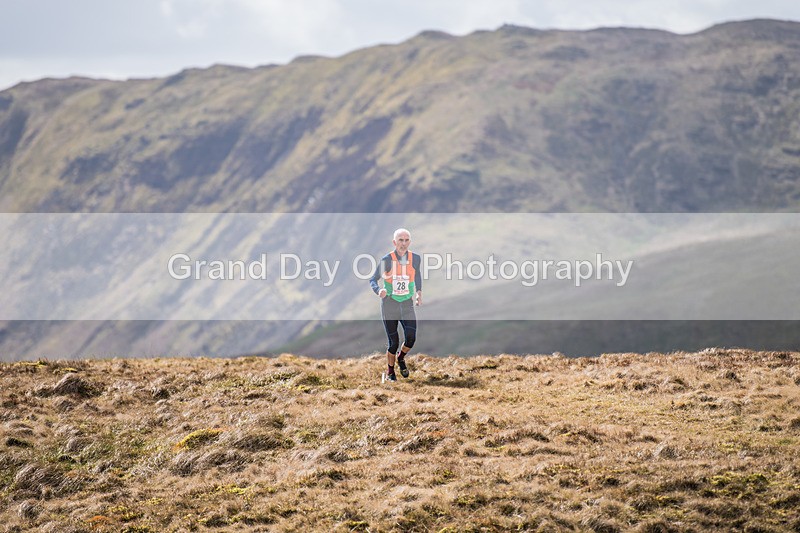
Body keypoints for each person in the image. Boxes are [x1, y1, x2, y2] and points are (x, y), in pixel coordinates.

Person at [369, 228, 422, 382]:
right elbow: (373, 279)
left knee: (411, 338)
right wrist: (378, 290)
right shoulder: (387, 260)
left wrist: (419, 292)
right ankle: (391, 372)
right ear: (394, 242)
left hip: (406, 303)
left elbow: (417, 275)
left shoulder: (415, 258)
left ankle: (401, 358)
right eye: (400, 240)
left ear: (410, 242)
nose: (403, 243)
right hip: (389, 305)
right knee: (394, 343)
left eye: (406, 240)